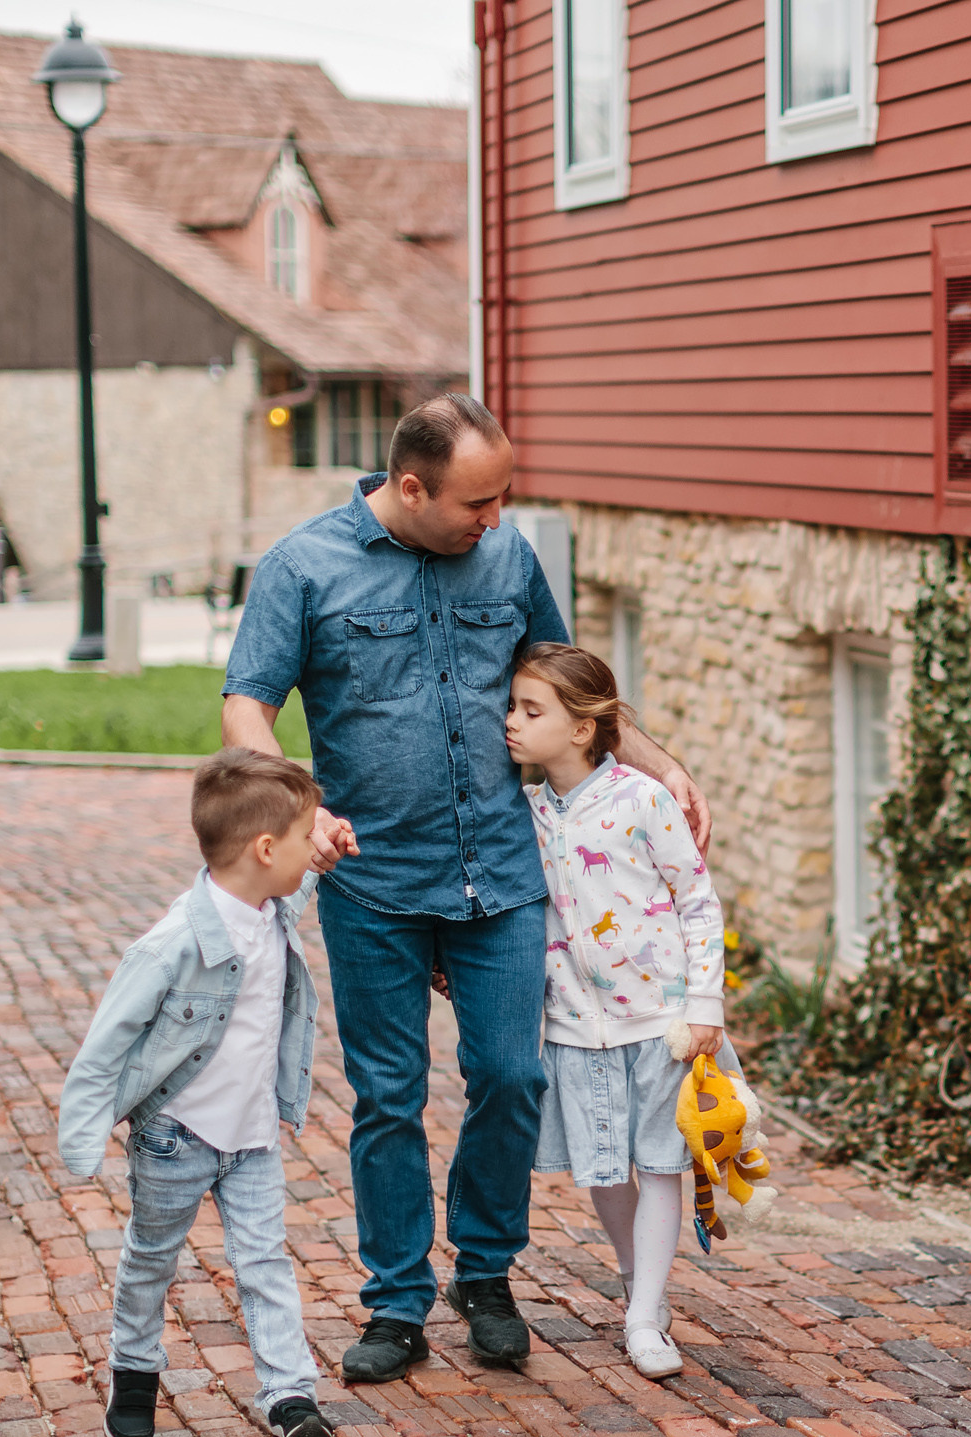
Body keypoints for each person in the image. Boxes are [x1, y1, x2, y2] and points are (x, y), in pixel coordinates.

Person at [221, 396, 707, 1380]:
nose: (495, 520)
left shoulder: (508, 557)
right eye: (477, 503)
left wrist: (655, 762)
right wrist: (297, 806)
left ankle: (486, 1271)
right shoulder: (302, 567)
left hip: (503, 870)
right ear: (410, 487)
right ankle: (396, 1301)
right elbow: (247, 705)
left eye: (504, 498)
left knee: (512, 1075)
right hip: (373, 884)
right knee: (388, 1096)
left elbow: (567, 682)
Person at [58, 747, 334, 1437]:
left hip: (251, 1137)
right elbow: (103, 1046)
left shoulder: (267, 906)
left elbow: (292, 893)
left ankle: (289, 1396)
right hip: (175, 1136)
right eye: (306, 838)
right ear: (265, 848)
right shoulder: (172, 944)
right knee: (152, 1258)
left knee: (265, 1260)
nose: (312, 849)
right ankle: (135, 1374)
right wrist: (83, 1138)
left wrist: (322, 858)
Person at [508, 644, 723, 1378]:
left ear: (579, 728)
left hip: (659, 1024)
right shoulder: (526, 812)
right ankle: (641, 1281)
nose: (510, 721)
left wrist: (703, 1003)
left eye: (530, 710)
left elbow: (696, 900)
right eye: (512, 706)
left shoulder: (642, 799)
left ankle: (642, 1316)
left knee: (660, 1161)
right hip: (574, 1024)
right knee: (604, 1167)